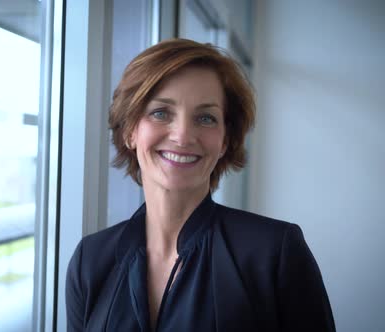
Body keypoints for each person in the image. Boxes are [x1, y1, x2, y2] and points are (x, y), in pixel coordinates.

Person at [66, 38, 335, 331]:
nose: (182, 136)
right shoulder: (89, 260)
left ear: (225, 141)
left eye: (205, 118)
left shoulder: (274, 252)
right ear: (130, 130)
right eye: (160, 113)